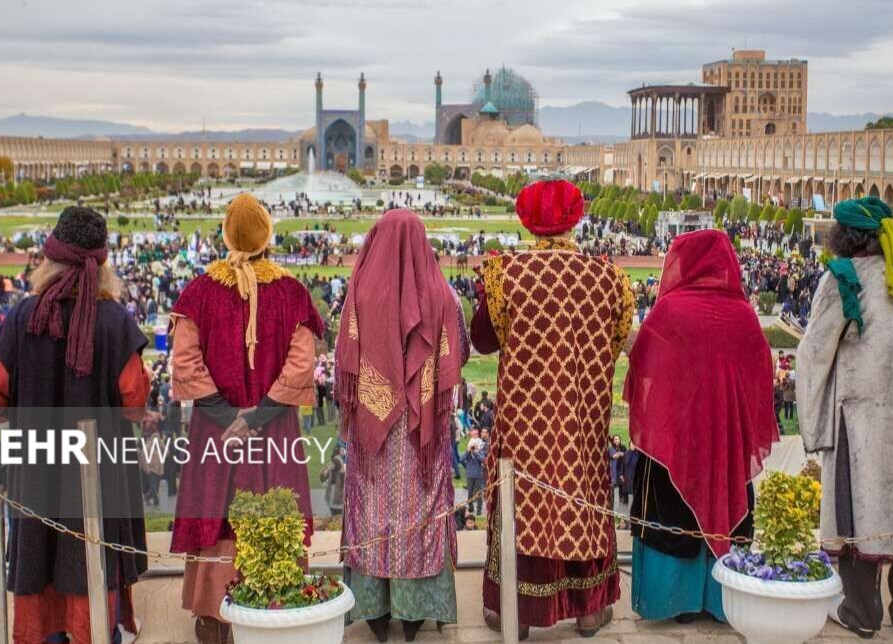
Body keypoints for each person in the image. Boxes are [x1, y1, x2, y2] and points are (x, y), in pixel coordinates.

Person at [0, 207, 150, 644]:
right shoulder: (114, 321)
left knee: (39, 553)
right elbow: (133, 399)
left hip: (36, 462)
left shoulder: (23, 316)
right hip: (100, 466)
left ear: (50, 258)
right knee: (91, 552)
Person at [470, 179, 633, 637]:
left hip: (526, 425)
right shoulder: (608, 277)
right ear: (576, 218)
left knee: (525, 505)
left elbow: (483, 341)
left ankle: (516, 612)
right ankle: (588, 610)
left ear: (527, 221)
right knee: (582, 500)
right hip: (583, 421)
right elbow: (618, 340)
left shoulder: (508, 274)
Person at [168, 195, 326, 644]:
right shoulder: (291, 292)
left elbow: (185, 362)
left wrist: (224, 415)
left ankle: (212, 613)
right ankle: (270, 600)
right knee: (269, 505)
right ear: (266, 236)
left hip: (215, 430)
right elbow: (300, 365)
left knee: (219, 511)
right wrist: (256, 418)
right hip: (271, 427)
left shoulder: (198, 292)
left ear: (226, 234)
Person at [797, 197, 893, 639]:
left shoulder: (842, 281)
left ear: (844, 236)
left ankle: (861, 613)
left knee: (856, 509)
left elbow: (814, 354)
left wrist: (815, 419)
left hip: (860, 416)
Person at [625, 229, 777, 623]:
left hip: (676, 442)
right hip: (725, 445)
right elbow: (762, 378)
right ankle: (720, 600)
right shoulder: (743, 315)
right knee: (726, 507)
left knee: (673, 515)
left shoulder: (670, 312)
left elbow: (643, 366)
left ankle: (675, 600)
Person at [336, 210, 468, 641]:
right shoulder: (443, 295)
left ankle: (373, 610)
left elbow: (348, 357)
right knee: (420, 511)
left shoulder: (360, 291)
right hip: (420, 429)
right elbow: (459, 354)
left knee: (373, 511)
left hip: (374, 432)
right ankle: (414, 613)